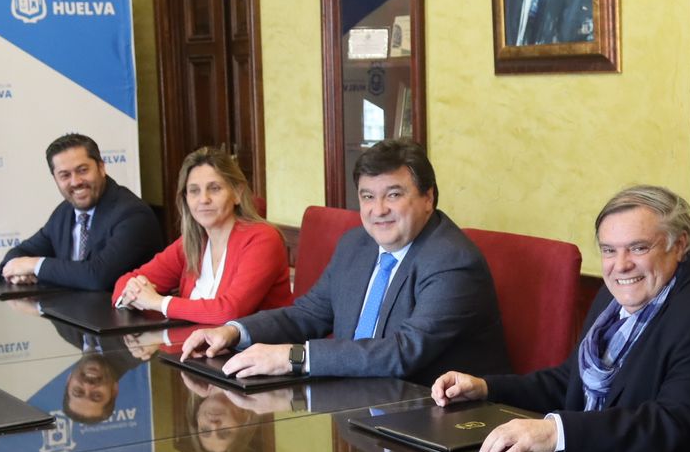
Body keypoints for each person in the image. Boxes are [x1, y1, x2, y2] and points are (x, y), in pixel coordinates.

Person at [430, 185, 690, 452]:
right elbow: (570, 382)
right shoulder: (615, 297)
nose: (620, 265)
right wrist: (486, 388)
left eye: (638, 248)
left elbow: (671, 424)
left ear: (679, 245)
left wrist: (556, 432)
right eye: (609, 250)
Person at [179, 138, 509, 386]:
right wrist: (234, 331)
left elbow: (404, 352)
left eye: (393, 195)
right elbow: (309, 314)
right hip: (360, 402)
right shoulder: (356, 244)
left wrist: (294, 356)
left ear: (428, 198)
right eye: (367, 196)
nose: (378, 210)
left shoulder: (452, 261)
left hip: (436, 415)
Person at [111, 147, 293, 323]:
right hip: (192, 342)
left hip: (257, 343)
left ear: (237, 193)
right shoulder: (192, 242)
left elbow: (230, 311)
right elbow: (125, 282)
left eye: (214, 188)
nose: (204, 199)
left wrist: (158, 302)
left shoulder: (263, 239)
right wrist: (132, 291)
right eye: (194, 191)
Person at [0, 133, 163, 291]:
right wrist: (14, 270)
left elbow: (98, 276)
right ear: (55, 179)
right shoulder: (64, 212)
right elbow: (20, 253)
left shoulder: (133, 214)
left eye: (83, 170)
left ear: (101, 167)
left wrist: (34, 265)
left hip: (120, 311)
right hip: (71, 309)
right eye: (65, 175)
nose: (75, 182)